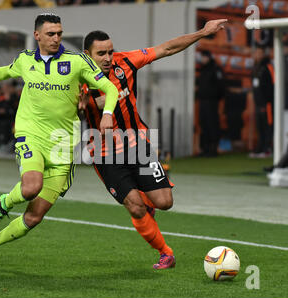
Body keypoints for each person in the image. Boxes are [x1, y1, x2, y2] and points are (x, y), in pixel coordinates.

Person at [0, 13, 118, 268]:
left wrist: (107, 114)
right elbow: (3, 72)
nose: (56, 38)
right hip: (32, 134)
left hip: (62, 144)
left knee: (34, 217)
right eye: (51, 34)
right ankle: (5, 202)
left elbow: (111, 89)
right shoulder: (25, 60)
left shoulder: (77, 62)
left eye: (59, 33)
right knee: (30, 187)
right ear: (37, 35)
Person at [80, 19, 227, 269]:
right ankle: (165, 253)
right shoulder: (76, 79)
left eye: (110, 51)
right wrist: (79, 109)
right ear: (87, 55)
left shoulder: (125, 62)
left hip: (138, 144)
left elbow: (166, 48)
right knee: (135, 207)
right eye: (101, 53)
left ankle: (148, 208)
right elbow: (72, 115)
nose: (107, 57)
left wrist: (203, 32)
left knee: (164, 202)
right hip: (105, 154)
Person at [196, 50, 225, 157]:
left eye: (204, 57)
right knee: (204, 124)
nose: (202, 59)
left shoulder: (216, 69)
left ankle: (213, 149)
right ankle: (205, 148)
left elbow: (221, 86)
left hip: (212, 102)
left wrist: (216, 98)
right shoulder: (202, 69)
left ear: (208, 57)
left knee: (212, 124)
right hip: (203, 101)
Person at [249, 44, 274, 158]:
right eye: (256, 53)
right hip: (258, 103)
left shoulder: (268, 66)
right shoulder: (256, 67)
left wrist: (267, 101)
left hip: (267, 103)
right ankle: (260, 148)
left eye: (259, 53)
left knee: (268, 126)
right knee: (260, 127)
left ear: (263, 54)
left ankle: (267, 149)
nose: (257, 55)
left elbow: (273, 85)